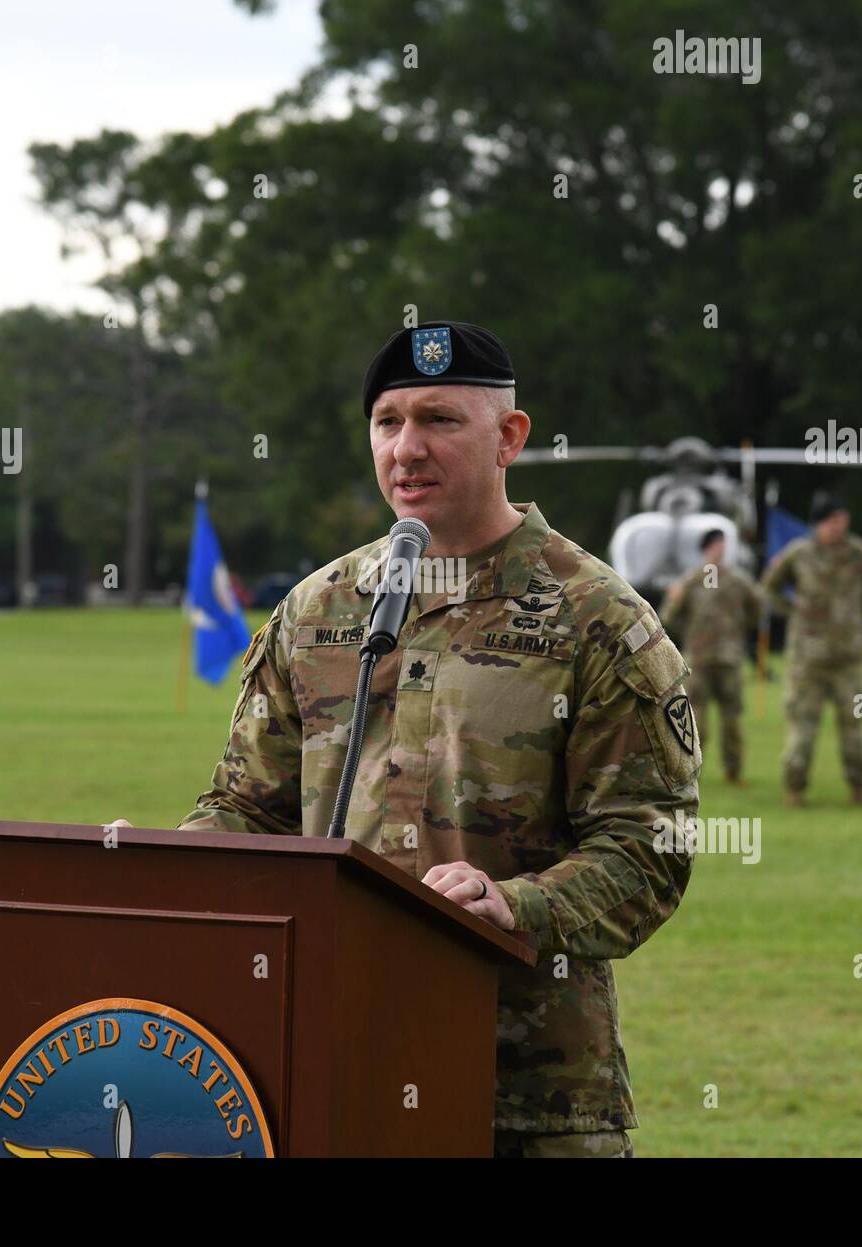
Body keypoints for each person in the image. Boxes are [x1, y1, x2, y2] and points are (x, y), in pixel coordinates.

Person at [173, 321, 699, 1157]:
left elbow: (650, 846)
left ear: (509, 438)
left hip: (523, 1094)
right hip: (331, 1063)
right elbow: (250, 806)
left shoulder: (598, 618)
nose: (406, 448)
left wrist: (518, 904)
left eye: (439, 420)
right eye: (388, 422)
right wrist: (160, 871)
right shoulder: (318, 610)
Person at [760, 495, 862, 806]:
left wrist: (858, 615)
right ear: (818, 524)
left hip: (849, 660)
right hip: (808, 660)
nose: (839, 526)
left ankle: (859, 788)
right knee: (802, 727)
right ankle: (795, 789)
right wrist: (793, 609)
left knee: (854, 728)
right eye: (832, 521)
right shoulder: (799, 554)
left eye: (843, 520)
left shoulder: (860, 553)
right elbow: (769, 586)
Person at [661, 529, 763, 783]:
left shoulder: (738, 580)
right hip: (699, 659)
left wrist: (738, 632)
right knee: (695, 719)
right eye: (715, 545)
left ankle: (734, 771)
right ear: (705, 549)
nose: (720, 550)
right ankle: (689, 771)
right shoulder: (691, 581)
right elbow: (669, 617)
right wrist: (675, 601)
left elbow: (757, 610)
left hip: (729, 658)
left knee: (732, 718)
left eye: (723, 545)